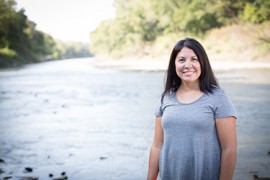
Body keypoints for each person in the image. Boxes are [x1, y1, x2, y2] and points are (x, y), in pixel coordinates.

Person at [147, 38, 237, 180]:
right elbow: (157, 145)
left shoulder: (218, 97)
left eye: (194, 59)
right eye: (181, 60)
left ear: (202, 63)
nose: (187, 65)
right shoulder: (166, 98)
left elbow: (229, 149)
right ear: (174, 65)